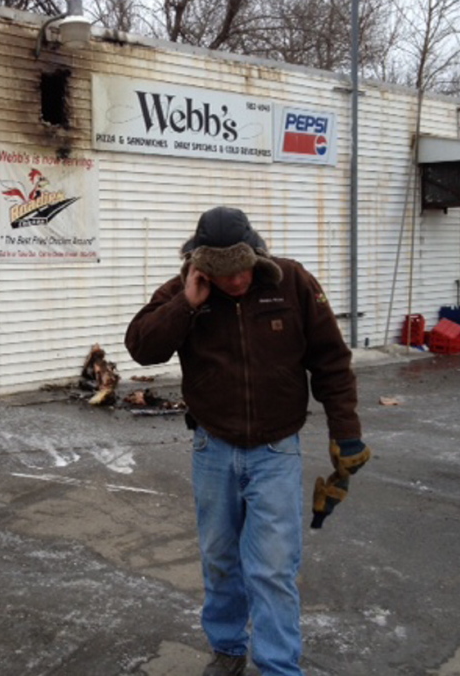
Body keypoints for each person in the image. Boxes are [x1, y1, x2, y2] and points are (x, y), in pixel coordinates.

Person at [124, 206, 370, 676]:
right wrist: (187, 304)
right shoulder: (184, 292)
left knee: (273, 568)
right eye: (222, 274)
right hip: (212, 448)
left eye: (242, 269)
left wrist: (347, 432)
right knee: (220, 559)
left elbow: (331, 362)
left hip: (276, 449)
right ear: (201, 268)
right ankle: (228, 650)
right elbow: (142, 347)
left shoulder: (293, 282)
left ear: (256, 255)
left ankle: (279, 667)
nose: (236, 281)